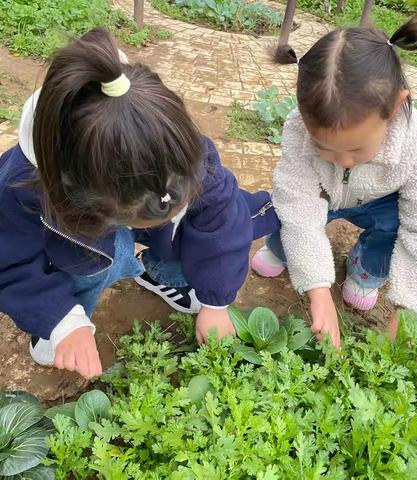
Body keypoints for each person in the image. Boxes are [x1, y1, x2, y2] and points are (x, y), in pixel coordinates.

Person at [0, 28, 279, 379]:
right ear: (78, 195)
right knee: (97, 258)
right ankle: (69, 315)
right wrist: (60, 321)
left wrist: (216, 301)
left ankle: (157, 271)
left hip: (130, 196)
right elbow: (9, 263)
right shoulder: (24, 186)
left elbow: (222, 218)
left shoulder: (169, 142)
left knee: (211, 224)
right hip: (76, 241)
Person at [252, 19, 417, 347]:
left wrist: (410, 311)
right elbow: (299, 205)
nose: (343, 161)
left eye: (356, 149)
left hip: (378, 204)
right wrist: (318, 290)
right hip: (322, 194)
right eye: (324, 148)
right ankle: (281, 250)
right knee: (285, 209)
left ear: (393, 108)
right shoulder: (297, 129)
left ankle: (366, 269)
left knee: (398, 223)